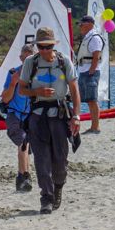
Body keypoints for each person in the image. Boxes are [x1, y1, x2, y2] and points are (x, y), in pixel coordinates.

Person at [18, 27, 82, 214]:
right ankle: (46, 197)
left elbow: (75, 90)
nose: (44, 50)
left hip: (60, 116)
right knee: (41, 160)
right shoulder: (31, 62)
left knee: (60, 159)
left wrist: (76, 117)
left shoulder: (64, 61)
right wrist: (37, 92)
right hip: (38, 117)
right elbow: (22, 89)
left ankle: (58, 187)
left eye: (47, 46)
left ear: (53, 45)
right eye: (41, 47)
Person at [0, 43, 35, 192]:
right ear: (20, 58)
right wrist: (13, 83)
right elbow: (5, 99)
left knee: (27, 148)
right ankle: (24, 175)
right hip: (15, 115)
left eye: (30, 59)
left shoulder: (38, 75)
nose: (26, 62)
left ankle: (23, 176)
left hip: (31, 116)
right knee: (23, 144)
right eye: (24, 58)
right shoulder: (13, 73)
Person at [75, 15, 104, 133]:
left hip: (90, 72)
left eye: (82, 24)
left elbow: (96, 55)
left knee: (92, 99)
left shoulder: (94, 37)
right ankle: (93, 125)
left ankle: (95, 126)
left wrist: (91, 70)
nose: (80, 27)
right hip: (84, 71)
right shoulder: (87, 37)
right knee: (88, 100)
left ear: (89, 24)